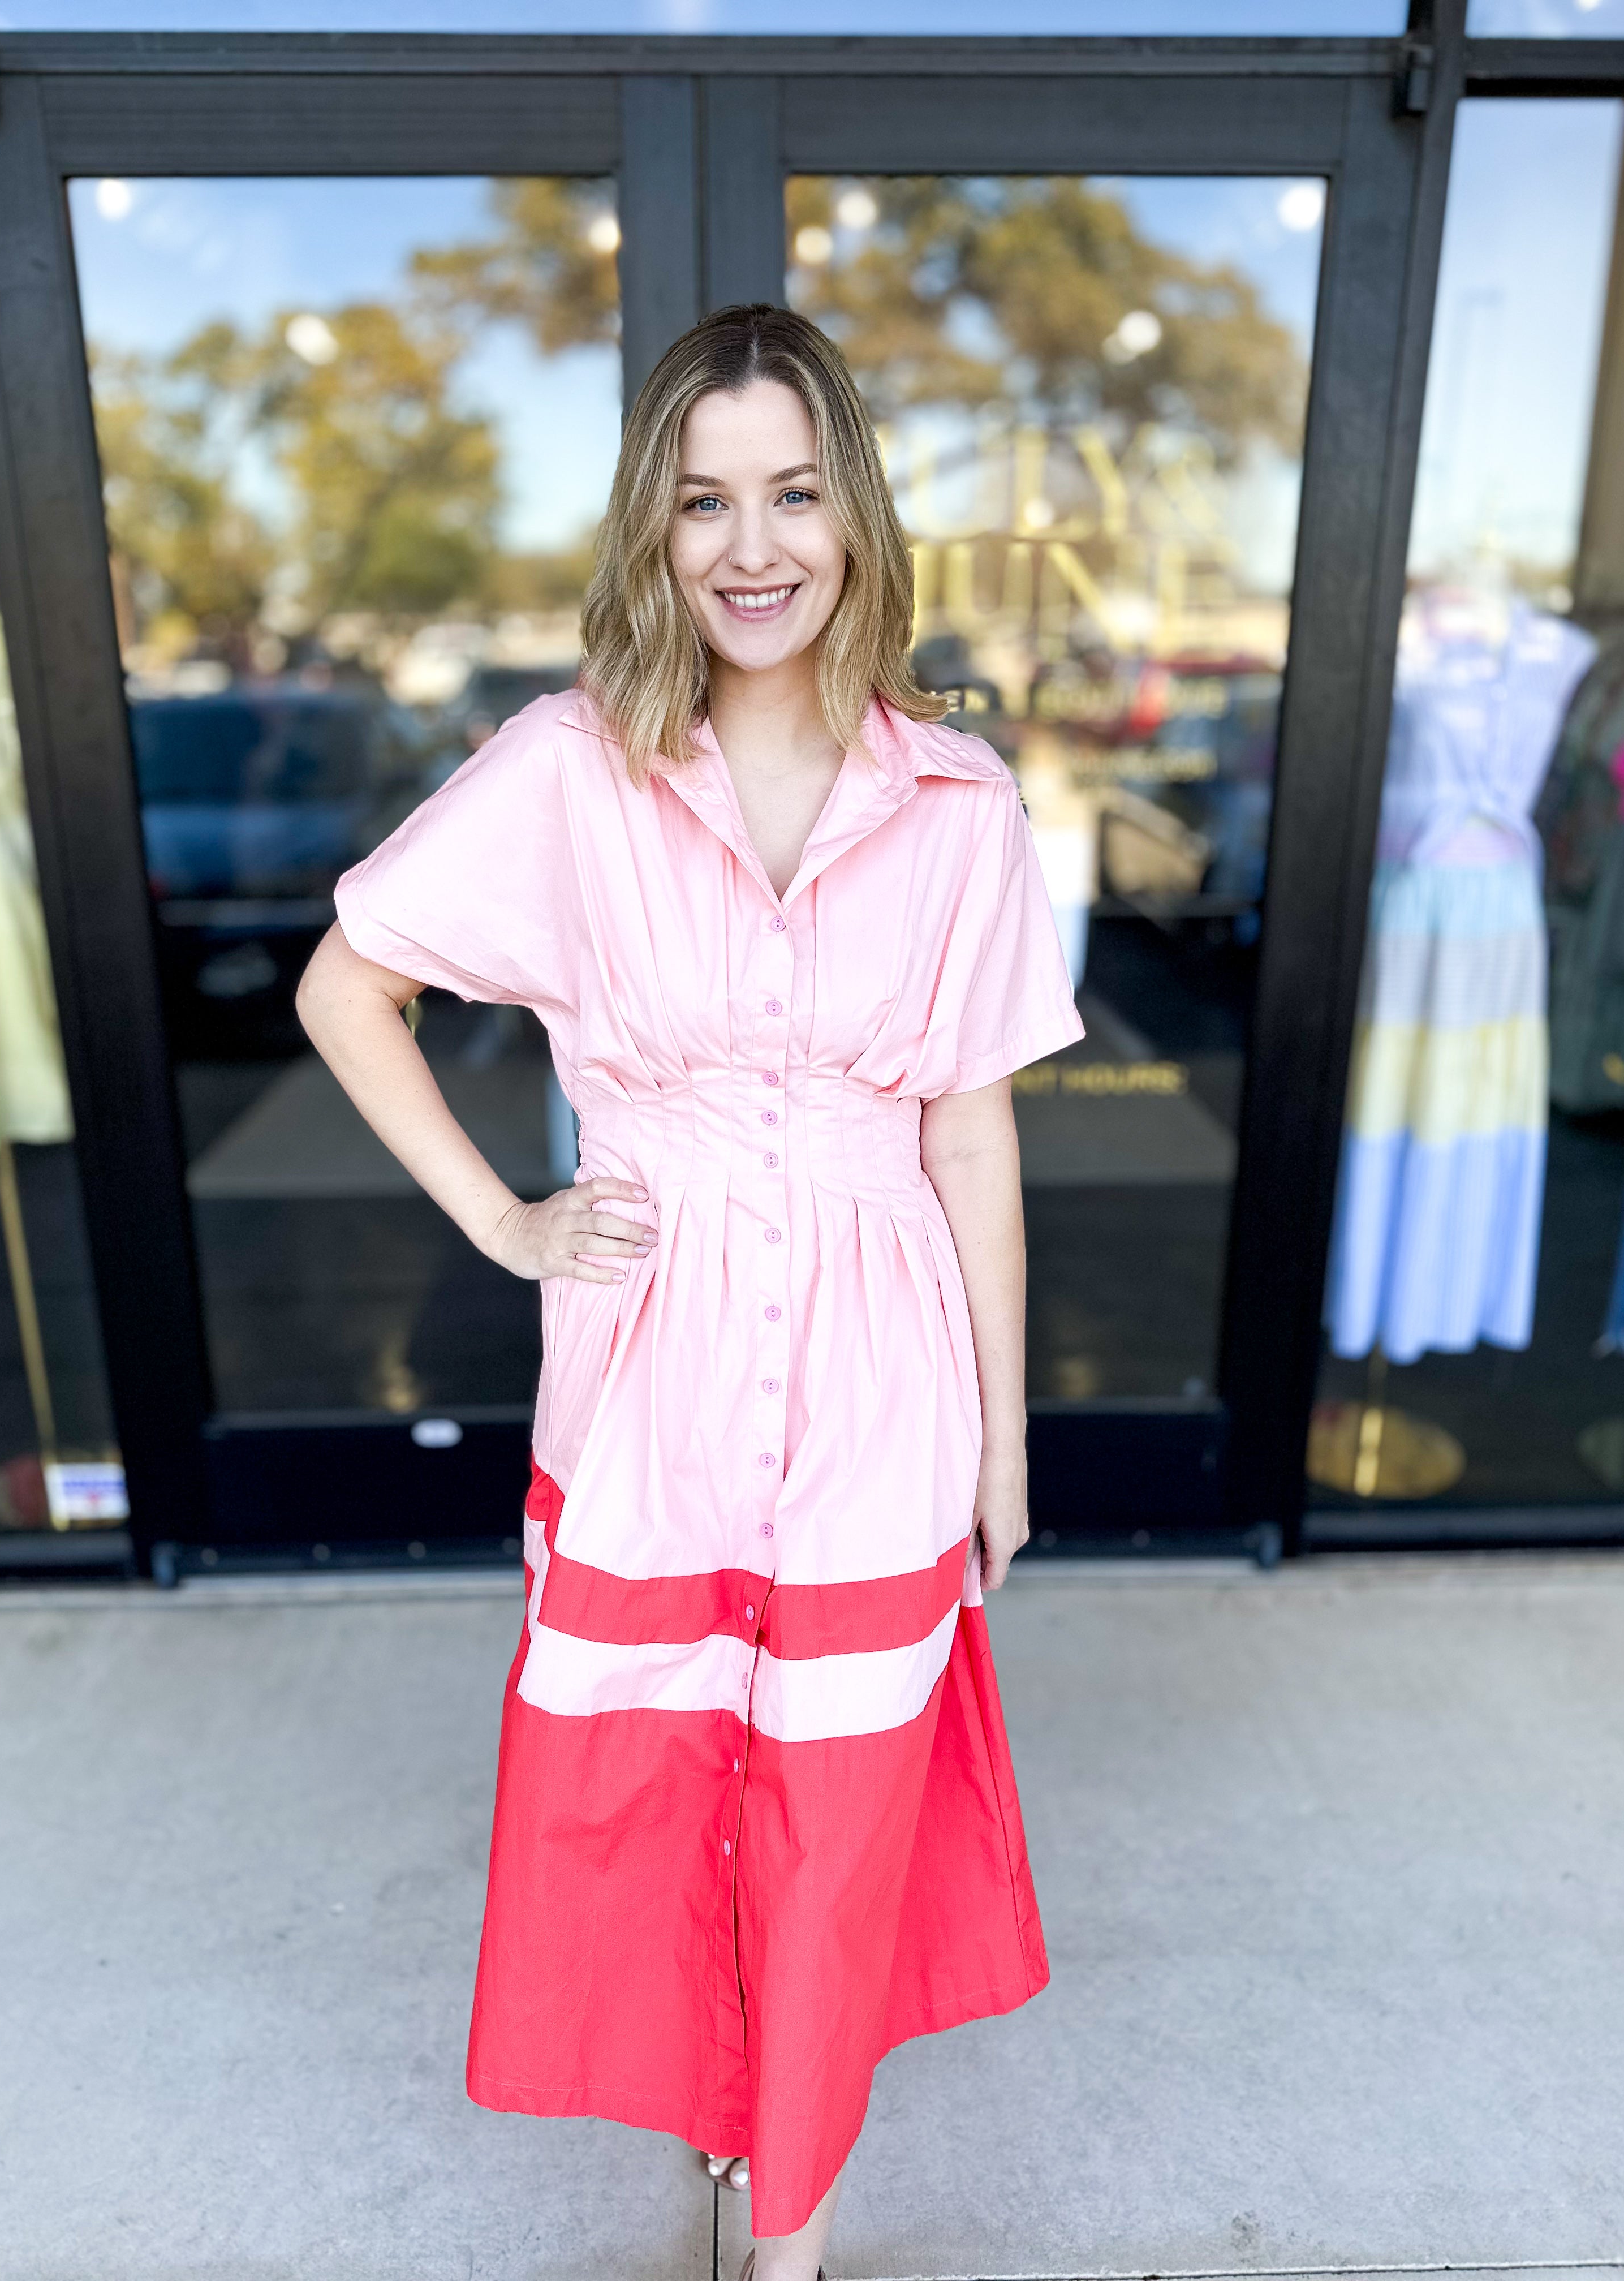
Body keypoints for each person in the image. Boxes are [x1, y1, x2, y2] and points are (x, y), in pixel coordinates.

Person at [296, 303, 1082, 2281]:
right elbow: (349, 986)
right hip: (647, 1375)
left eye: (795, 493)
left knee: (834, 1821)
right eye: (704, 499)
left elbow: (970, 1138)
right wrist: (501, 1222)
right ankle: (725, 2121)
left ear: (855, 515)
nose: (754, 546)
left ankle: (788, 2227)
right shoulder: (569, 774)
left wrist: (1002, 1437)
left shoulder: (962, 804)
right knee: (657, 1784)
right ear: (654, 530)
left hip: (879, 1378)